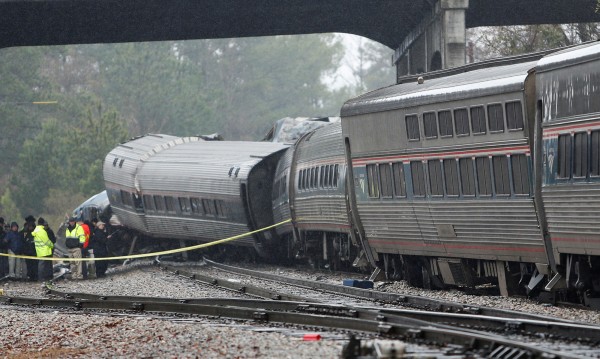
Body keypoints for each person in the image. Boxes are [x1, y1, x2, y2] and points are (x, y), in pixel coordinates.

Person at [32, 217, 54, 282]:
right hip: (45, 250)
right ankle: (42, 278)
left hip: (39, 250)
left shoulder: (35, 230)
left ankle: (41, 277)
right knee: (43, 265)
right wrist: (52, 245)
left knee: (41, 265)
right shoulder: (42, 231)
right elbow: (46, 241)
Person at [21, 216, 37, 281]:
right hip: (28, 250)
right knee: (30, 264)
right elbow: (22, 240)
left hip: (32, 250)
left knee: (33, 264)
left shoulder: (33, 230)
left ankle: (33, 276)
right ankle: (31, 276)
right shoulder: (25, 231)